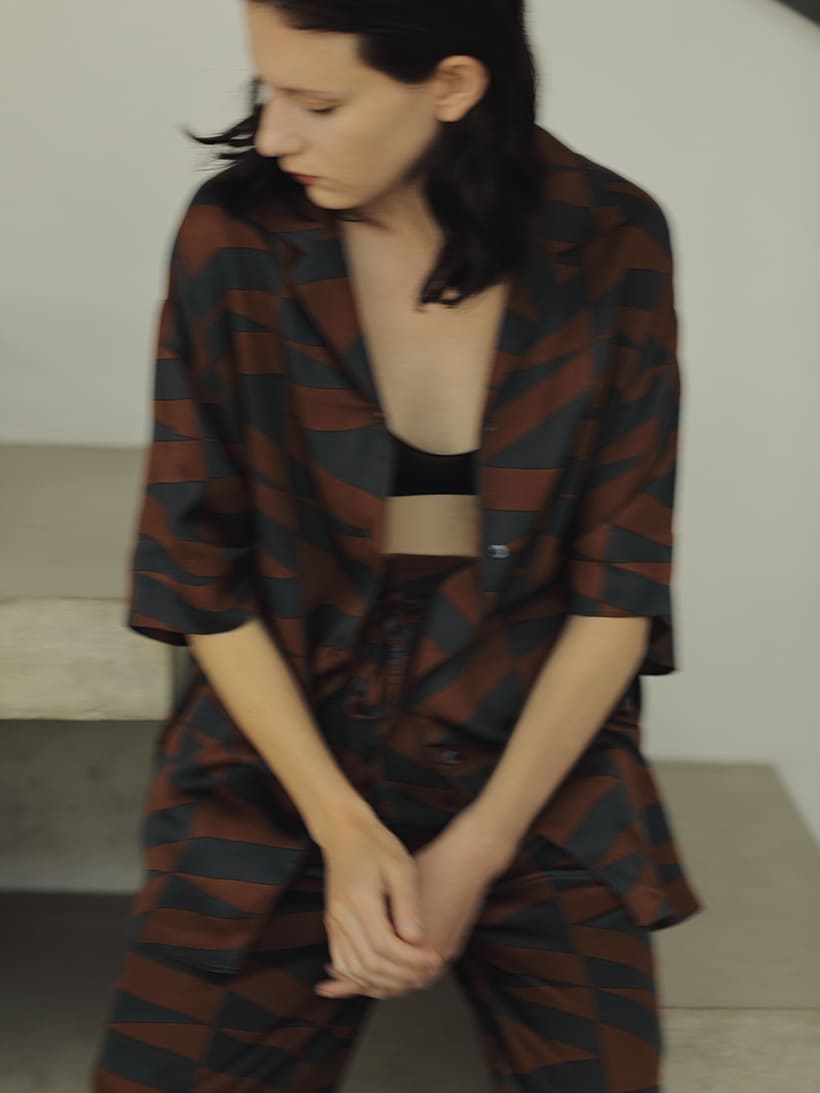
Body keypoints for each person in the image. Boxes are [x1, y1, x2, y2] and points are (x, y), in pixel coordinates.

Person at [91, 1, 704, 1089]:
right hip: (282, 758)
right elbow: (200, 578)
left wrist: (478, 848)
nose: (274, 135)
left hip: (531, 759)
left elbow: (618, 594)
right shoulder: (235, 239)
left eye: (318, 104)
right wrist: (344, 828)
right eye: (268, 91)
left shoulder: (612, 241)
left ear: (452, 86)